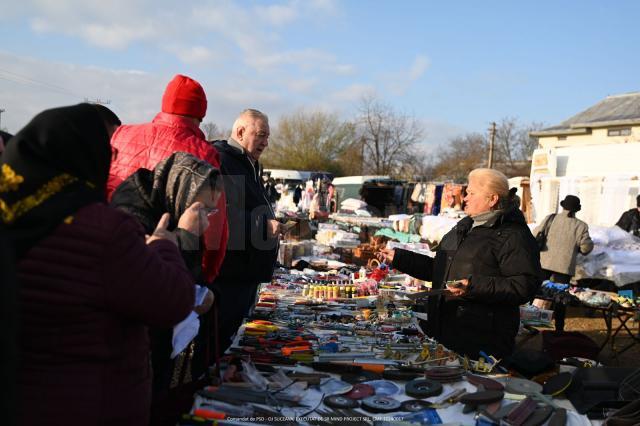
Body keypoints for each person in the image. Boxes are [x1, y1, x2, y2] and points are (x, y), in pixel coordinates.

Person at [0, 104, 195, 426]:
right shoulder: (102, 230)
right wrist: (166, 244)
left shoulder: (12, 217)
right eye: (108, 152)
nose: (114, 160)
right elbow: (172, 301)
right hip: (93, 402)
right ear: (84, 155)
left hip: (22, 401)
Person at [378, 168, 541, 359]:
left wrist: (473, 286)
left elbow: (524, 286)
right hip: (444, 330)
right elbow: (438, 270)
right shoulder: (464, 228)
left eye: (471, 193)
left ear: (492, 199)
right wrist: (399, 258)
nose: (464, 198)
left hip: (481, 341)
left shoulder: (513, 235)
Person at [110, 152, 219, 426]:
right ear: (181, 191)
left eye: (211, 211)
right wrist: (187, 237)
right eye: (203, 209)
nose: (206, 219)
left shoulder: (169, 206)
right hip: (132, 357)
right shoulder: (132, 216)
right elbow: (159, 290)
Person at [107, 74, 228, 284]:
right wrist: (205, 278)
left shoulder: (122, 134)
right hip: (170, 264)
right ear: (200, 114)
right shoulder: (203, 152)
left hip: (114, 251)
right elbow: (213, 228)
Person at [212, 109, 283, 351]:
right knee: (218, 339)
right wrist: (262, 224)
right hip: (232, 274)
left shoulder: (247, 163)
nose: (265, 142)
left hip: (245, 271)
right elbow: (224, 218)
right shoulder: (227, 161)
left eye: (268, 137)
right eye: (261, 135)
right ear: (241, 132)